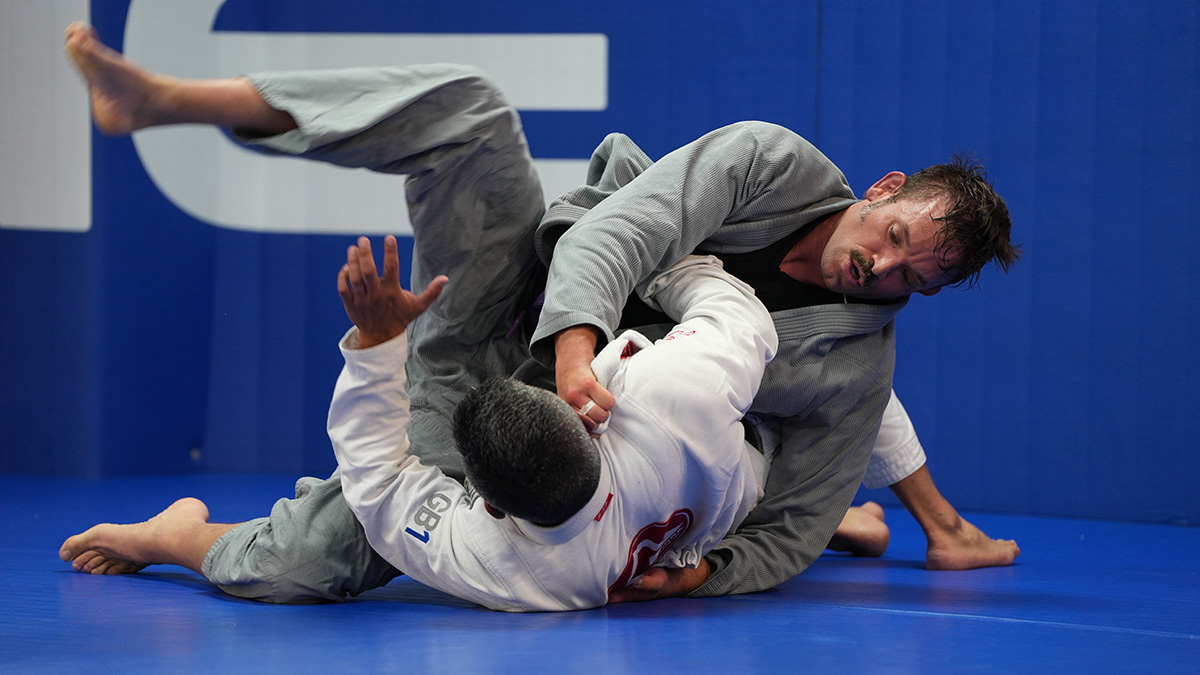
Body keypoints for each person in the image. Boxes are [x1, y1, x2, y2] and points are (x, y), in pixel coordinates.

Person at [58, 22, 1019, 604]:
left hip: (549, 459)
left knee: (312, 563)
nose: (878, 267)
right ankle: (171, 96)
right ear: (886, 188)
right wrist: (574, 355)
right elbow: (615, 237)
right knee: (475, 113)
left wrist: (706, 572)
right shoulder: (771, 162)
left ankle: (177, 532)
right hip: (523, 301)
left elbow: (791, 526)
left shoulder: (855, 364)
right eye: (893, 235)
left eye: (908, 280)